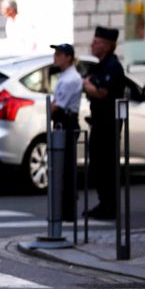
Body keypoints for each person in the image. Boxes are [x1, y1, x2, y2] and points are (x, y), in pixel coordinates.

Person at [83, 26, 125, 219]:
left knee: (107, 167)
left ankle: (109, 207)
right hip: (99, 123)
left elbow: (102, 92)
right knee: (98, 167)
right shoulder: (100, 65)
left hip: (109, 125)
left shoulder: (112, 66)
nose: (93, 44)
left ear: (107, 46)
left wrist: (85, 85)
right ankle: (103, 203)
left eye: (97, 41)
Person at [50, 43, 82, 221]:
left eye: (59, 54)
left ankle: (67, 211)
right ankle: (64, 210)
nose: (55, 57)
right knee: (62, 168)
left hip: (67, 122)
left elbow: (57, 106)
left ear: (68, 57)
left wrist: (49, 111)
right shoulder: (65, 76)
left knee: (66, 168)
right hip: (64, 122)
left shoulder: (71, 79)